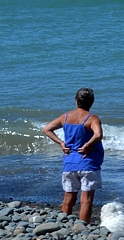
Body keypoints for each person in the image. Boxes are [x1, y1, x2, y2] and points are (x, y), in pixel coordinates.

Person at [42, 88, 105, 223]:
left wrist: (61, 143)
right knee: (86, 199)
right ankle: (83, 226)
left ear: (76, 101)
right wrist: (87, 145)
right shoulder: (92, 118)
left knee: (68, 198)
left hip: (70, 162)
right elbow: (98, 134)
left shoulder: (66, 117)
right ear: (92, 102)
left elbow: (47, 129)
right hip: (88, 162)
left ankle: (64, 224)